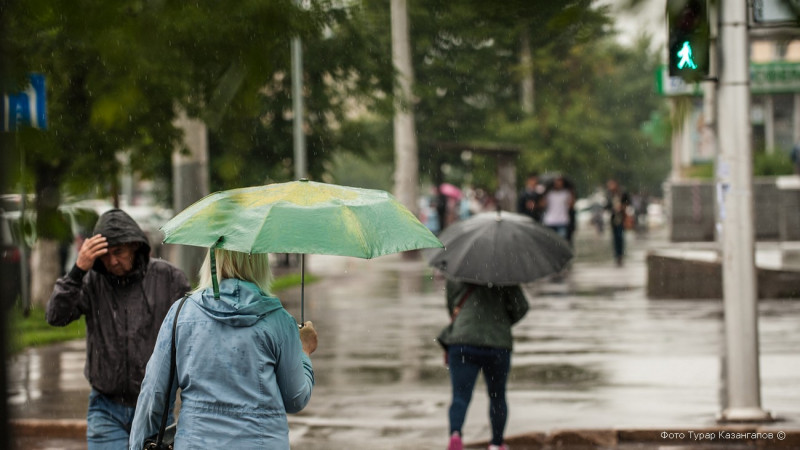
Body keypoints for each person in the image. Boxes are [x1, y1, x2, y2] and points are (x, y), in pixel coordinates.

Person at [129, 248, 318, 449]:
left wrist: (141, 444)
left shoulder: (181, 314)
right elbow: (295, 399)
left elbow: (154, 393)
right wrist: (304, 352)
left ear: (214, 259)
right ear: (260, 263)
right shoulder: (279, 321)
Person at [46, 209, 190, 449]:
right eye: (105, 255)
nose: (112, 261)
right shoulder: (91, 281)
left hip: (155, 407)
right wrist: (77, 271)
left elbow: (191, 334)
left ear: (135, 245)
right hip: (105, 406)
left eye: (119, 252)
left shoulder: (168, 279)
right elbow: (55, 316)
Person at [444, 279, 529, 450]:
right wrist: (502, 322)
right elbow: (521, 308)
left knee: (460, 396)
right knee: (497, 396)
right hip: (497, 344)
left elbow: (452, 305)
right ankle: (496, 444)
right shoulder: (506, 275)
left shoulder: (456, 273)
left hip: (462, 341)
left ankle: (455, 435)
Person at [541, 175, 575, 244]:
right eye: (556, 181)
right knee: (550, 242)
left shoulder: (566, 193)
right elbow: (542, 205)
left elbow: (571, 206)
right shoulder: (549, 193)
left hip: (562, 221)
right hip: (550, 221)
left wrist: (572, 193)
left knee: (561, 242)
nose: (558, 183)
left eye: (560, 181)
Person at [606, 179, 631, 266]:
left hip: (621, 218)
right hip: (614, 219)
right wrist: (613, 208)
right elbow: (607, 206)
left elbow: (628, 202)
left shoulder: (622, 193)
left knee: (620, 237)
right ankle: (617, 254)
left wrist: (622, 206)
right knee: (615, 238)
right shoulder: (609, 195)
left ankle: (620, 254)